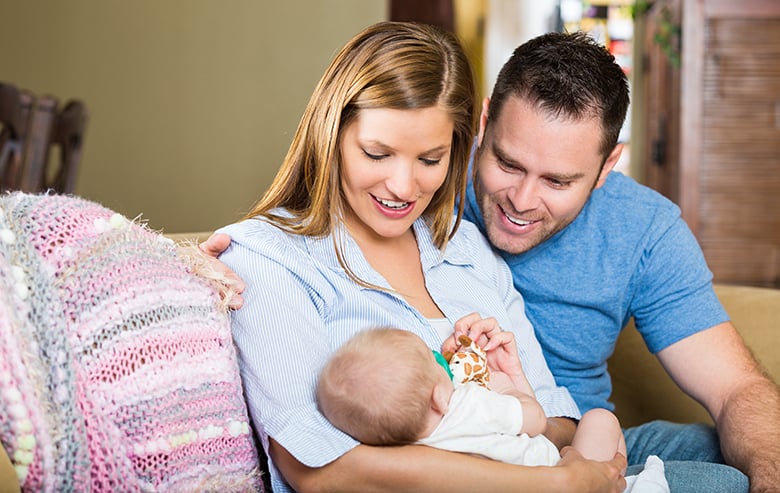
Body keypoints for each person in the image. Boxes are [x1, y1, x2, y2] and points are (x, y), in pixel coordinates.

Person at [204, 29, 780, 492]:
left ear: (608, 167)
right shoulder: (275, 255)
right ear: (481, 131)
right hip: (523, 470)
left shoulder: (461, 245)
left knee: (729, 466)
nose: (523, 200)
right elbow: (315, 465)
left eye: (430, 159)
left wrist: (533, 417)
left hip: (557, 448)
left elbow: (566, 421)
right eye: (507, 163)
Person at [316, 322, 626, 466]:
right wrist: (501, 382)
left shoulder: (405, 444)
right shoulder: (466, 405)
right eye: (434, 360)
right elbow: (535, 422)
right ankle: (610, 479)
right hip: (555, 477)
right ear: (439, 398)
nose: (443, 360)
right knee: (601, 420)